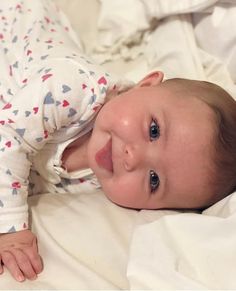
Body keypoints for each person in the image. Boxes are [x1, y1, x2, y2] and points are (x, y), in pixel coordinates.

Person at [0, 0, 235, 283]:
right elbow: (9, 136)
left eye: (154, 180)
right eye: (153, 130)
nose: (132, 158)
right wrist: (11, 228)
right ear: (145, 84)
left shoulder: (97, 187)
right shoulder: (73, 87)